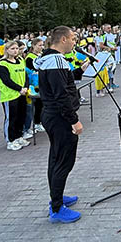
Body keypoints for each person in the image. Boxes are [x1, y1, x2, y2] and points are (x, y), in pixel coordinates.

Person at [35, 26, 85, 223]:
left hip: (53, 115)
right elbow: (61, 95)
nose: (74, 42)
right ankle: (56, 208)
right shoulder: (55, 61)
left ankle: (57, 195)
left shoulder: (52, 59)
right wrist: (74, 120)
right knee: (64, 160)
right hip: (59, 117)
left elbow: (67, 83)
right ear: (63, 39)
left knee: (56, 158)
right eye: (72, 38)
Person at [0, 41, 30, 151]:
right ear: (7, 50)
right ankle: (10, 140)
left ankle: (18, 136)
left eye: (16, 48)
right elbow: (6, 80)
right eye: (12, 49)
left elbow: (25, 75)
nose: (15, 51)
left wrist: (25, 87)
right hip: (10, 95)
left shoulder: (20, 60)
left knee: (21, 116)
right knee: (11, 118)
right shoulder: (2, 64)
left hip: (22, 94)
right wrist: (19, 88)